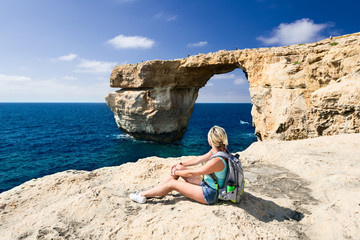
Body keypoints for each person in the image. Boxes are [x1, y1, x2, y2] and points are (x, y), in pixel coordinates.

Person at [129, 126, 229, 205]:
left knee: (173, 183)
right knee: (178, 168)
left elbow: (194, 172)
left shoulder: (217, 160)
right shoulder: (218, 151)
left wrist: (177, 172)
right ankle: (157, 191)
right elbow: (198, 159)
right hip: (207, 183)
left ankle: (143, 195)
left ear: (210, 140)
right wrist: (180, 164)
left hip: (210, 194)